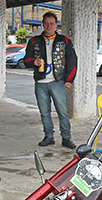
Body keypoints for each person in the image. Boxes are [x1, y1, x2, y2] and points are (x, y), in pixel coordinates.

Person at [24, 12, 77, 149]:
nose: (49, 26)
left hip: (58, 81)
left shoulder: (64, 41)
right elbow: (26, 60)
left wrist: (69, 80)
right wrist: (33, 62)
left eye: (51, 23)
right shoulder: (34, 41)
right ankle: (49, 136)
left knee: (63, 112)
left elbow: (73, 61)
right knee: (44, 112)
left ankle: (66, 137)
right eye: (46, 23)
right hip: (40, 82)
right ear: (42, 24)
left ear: (56, 25)